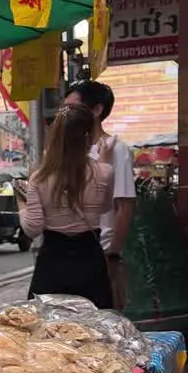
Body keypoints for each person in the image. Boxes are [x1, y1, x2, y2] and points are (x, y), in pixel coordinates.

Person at [19, 104, 115, 309]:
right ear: (88, 138)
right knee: (96, 330)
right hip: (90, 261)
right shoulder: (105, 172)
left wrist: (21, 206)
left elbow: (33, 228)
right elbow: (105, 207)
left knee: (46, 332)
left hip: (52, 263)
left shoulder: (40, 177)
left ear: (53, 138)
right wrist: (103, 164)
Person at [65, 80, 134, 309]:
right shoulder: (69, 150)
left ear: (96, 110)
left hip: (102, 250)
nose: (66, 115)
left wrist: (113, 253)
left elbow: (124, 206)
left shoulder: (116, 149)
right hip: (71, 250)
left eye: (73, 108)